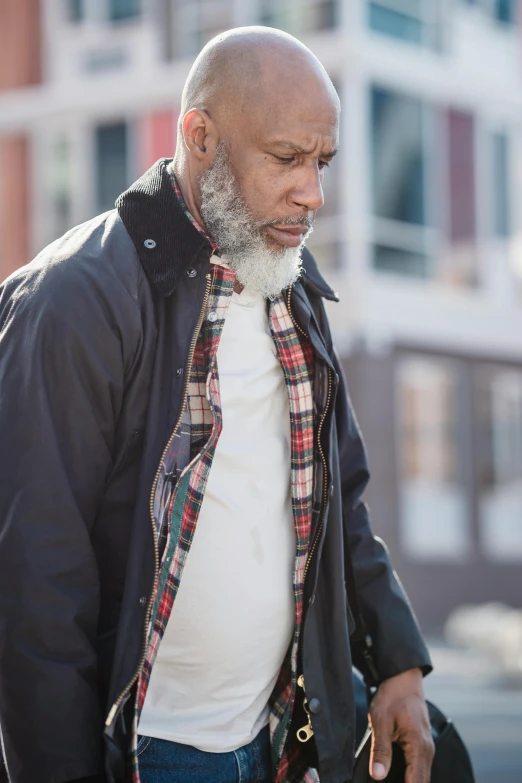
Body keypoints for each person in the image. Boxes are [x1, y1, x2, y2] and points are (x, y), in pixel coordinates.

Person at [0, 26, 434, 783]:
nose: (314, 192)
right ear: (200, 136)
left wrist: (398, 661)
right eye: (286, 158)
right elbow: (35, 589)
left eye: (322, 162)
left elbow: (343, 500)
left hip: (275, 742)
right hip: (140, 757)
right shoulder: (70, 302)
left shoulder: (291, 279)